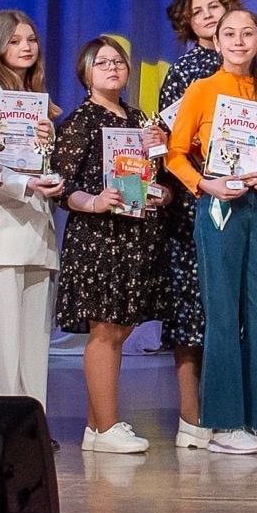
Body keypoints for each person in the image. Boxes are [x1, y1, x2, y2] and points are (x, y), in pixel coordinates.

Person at [168, 5, 257, 455]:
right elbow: (175, 154)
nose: (238, 41)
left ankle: (252, 419)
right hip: (220, 207)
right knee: (222, 315)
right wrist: (205, 184)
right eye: (229, 34)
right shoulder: (201, 89)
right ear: (216, 42)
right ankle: (222, 423)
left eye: (247, 33)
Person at [53, 34, 170, 454]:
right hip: (98, 238)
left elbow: (156, 179)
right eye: (102, 63)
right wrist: (94, 201)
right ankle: (106, 427)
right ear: (86, 73)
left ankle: (95, 426)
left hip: (135, 236)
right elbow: (61, 186)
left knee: (119, 331)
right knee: (104, 331)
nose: (113, 68)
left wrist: (160, 193)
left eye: (118, 61)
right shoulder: (80, 122)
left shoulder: (140, 120)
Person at [148, 0, 241, 440]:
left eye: (214, 6)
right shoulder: (185, 71)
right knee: (191, 312)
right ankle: (191, 417)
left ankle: (226, 411)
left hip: (239, 196)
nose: (207, 15)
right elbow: (170, 141)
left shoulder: (244, 66)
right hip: (194, 199)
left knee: (228, 309)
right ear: (186, 21)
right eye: (197, 10)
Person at [0, 9, 64, 408]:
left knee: (34, 347)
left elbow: (38, 164)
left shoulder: (38, 100)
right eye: (15, 40)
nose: (26, 47)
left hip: (37, 233)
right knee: (1, 348)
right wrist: (25, 184)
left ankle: (32, 426)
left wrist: (49, 154)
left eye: (31, 40)